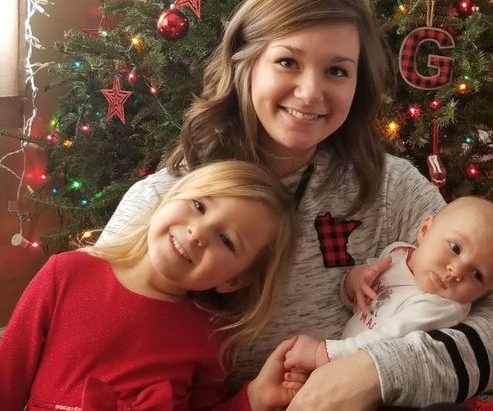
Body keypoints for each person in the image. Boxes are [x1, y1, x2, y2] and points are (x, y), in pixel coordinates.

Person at [99, 0, 493, 409]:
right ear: (246, 62)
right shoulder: (165, 205)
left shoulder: (391, 187)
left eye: (336, 71)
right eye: (287, 62)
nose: (311, 93)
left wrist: (372, 371)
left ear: (358, 84)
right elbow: (91, 344)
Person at [0, 161, 302, 411]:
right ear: (171, 196)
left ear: (233, 280)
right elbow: (8, 376)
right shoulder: (67, 273)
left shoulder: (212, 335)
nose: (198, 232)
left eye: (226, 240)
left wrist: (255, 398)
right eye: (199, 205)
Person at [283, 196, 493, 371]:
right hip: (341, 362)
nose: (456, 271)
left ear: (484, 291)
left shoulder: (438, 307)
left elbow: (386, 345)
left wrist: (323, 353)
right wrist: (354, 281)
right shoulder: (396, 254)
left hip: (379, 387)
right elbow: (355, 302)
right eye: (455, 248)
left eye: (477, 275)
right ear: (425, 230)